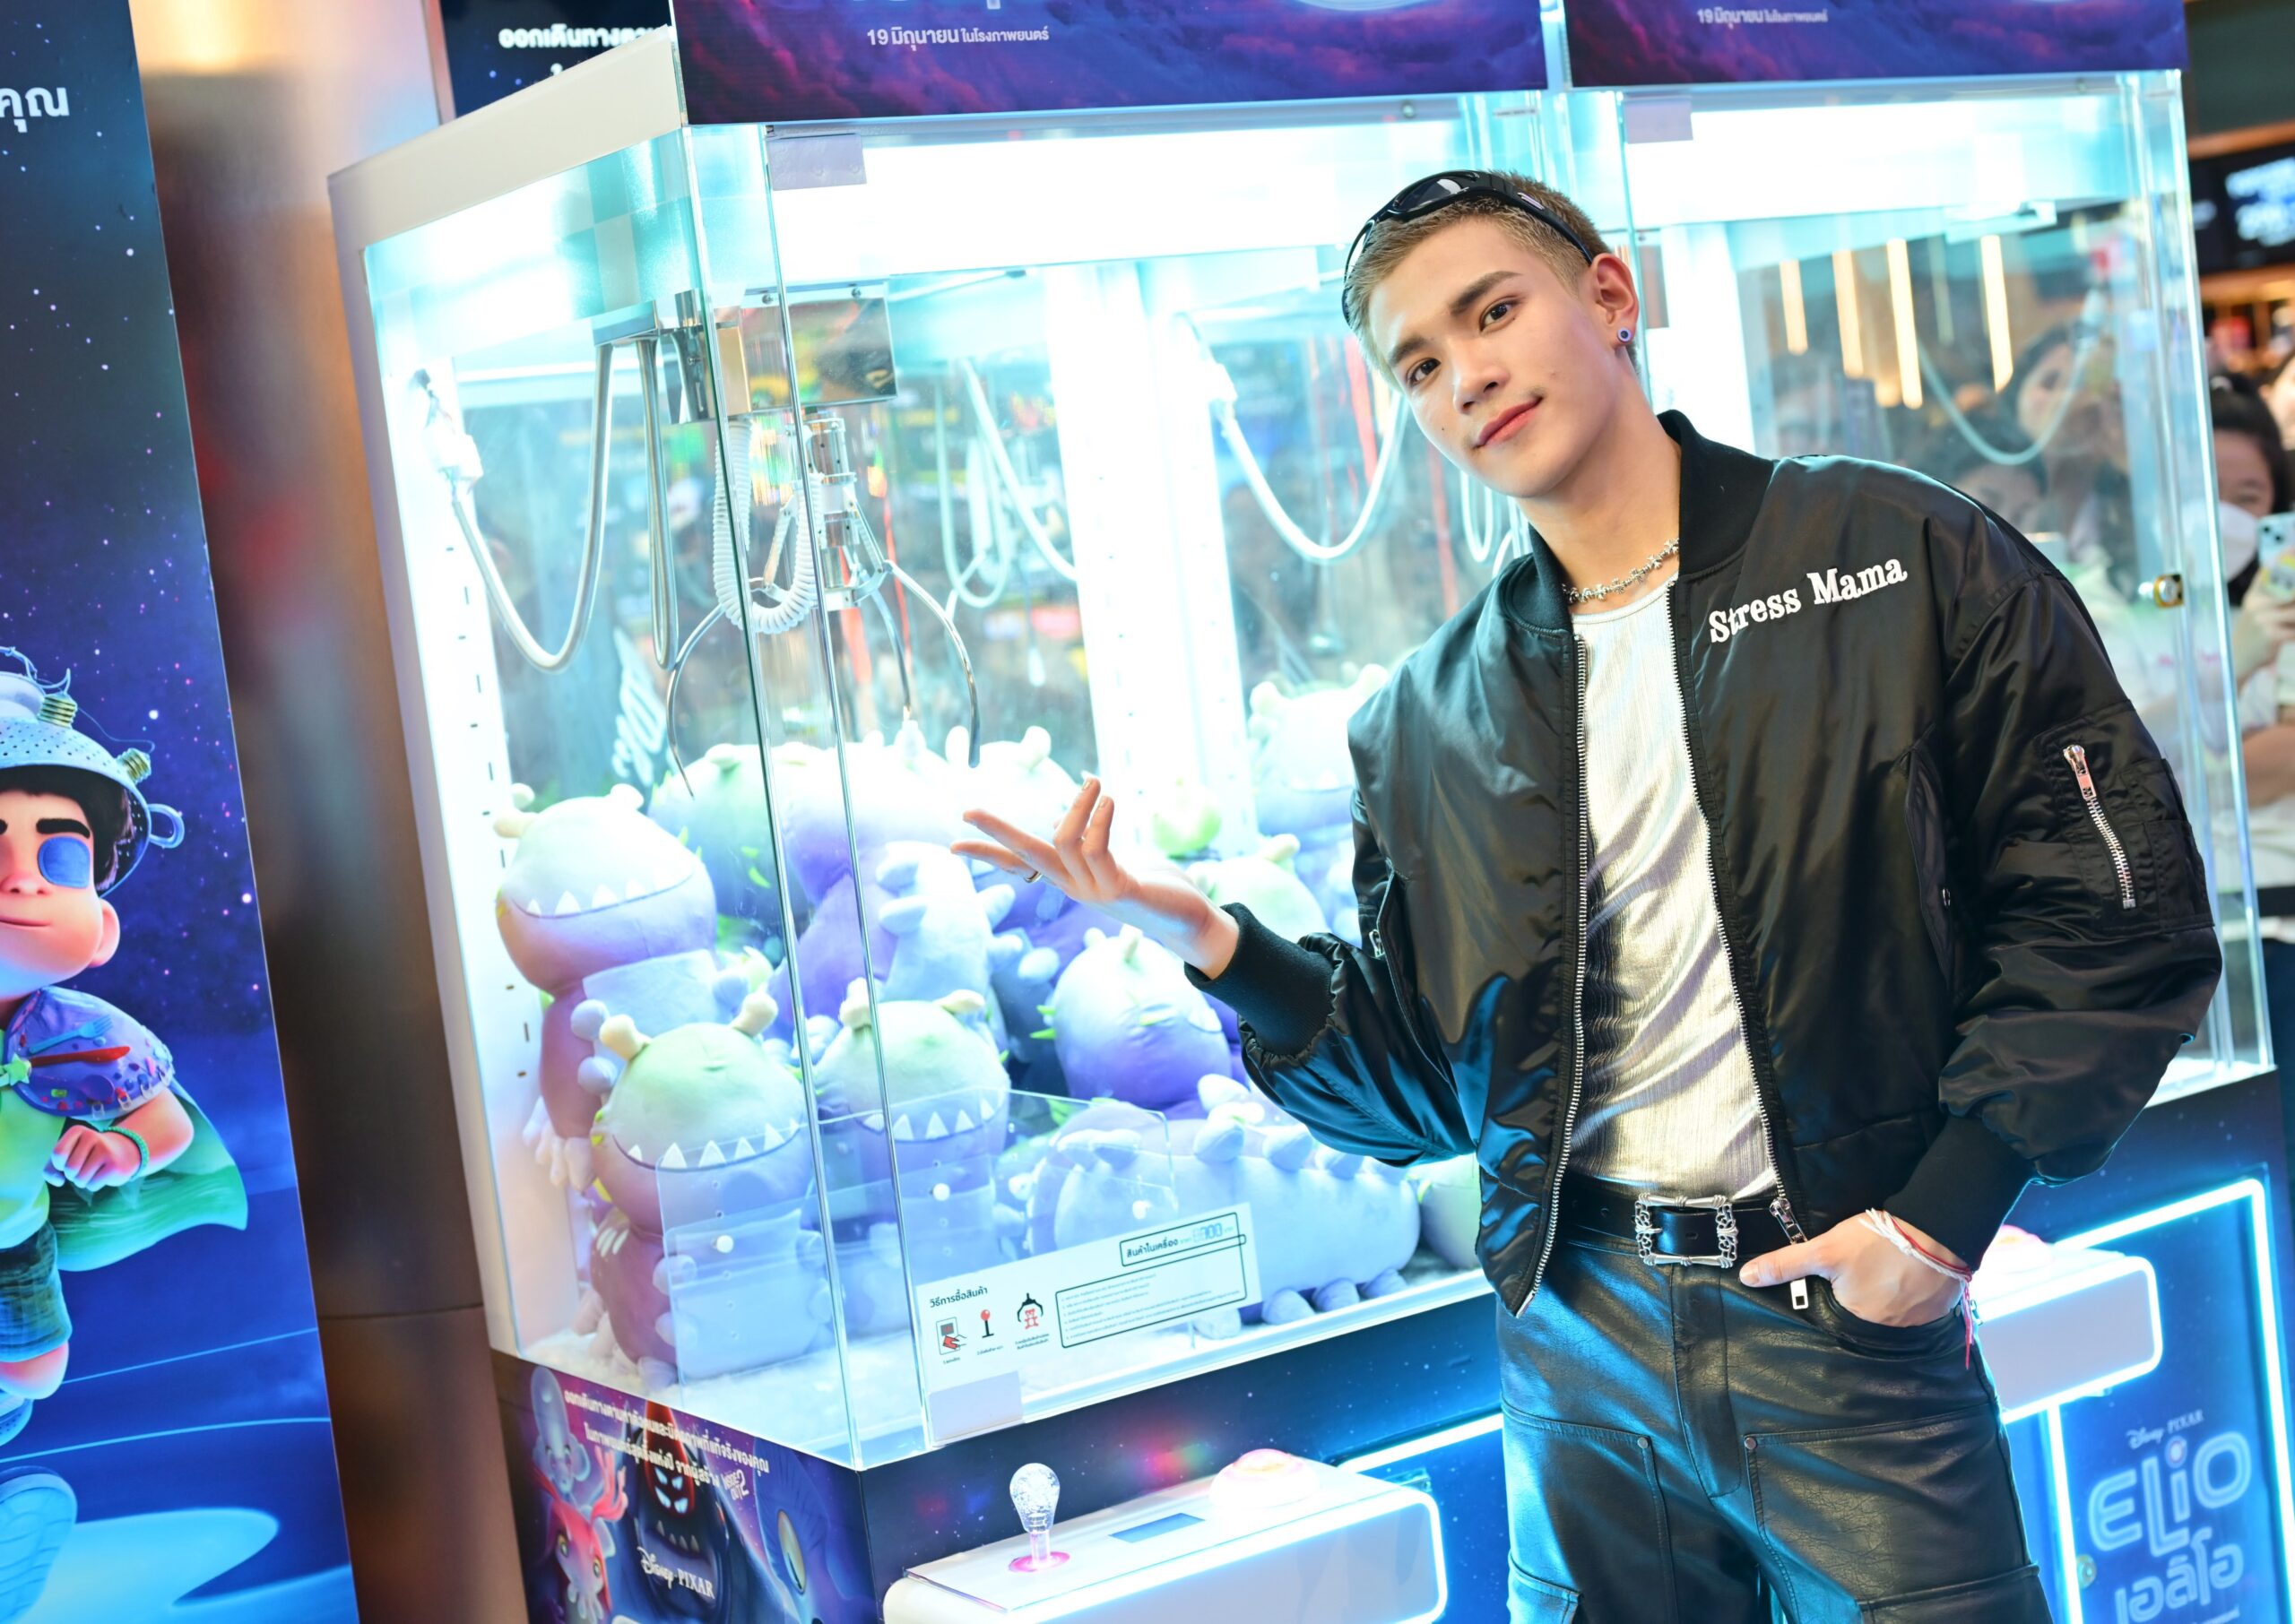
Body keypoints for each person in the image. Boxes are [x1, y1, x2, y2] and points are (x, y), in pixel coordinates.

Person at [957, 169, 2219, 1621]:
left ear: (1609, 296)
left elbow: (2109, 906)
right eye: (1418, 364)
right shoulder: (1431, 713)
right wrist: (1207, 937)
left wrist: (1942, 1219)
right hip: (1574, 1338)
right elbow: (1434, 1089)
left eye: (1492, 312)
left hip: (1840, 1309)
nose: (1466, 376)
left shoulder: (1893, 554)